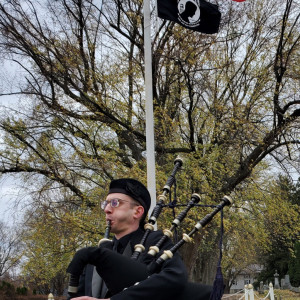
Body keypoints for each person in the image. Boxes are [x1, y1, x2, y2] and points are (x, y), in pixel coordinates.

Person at [68, 178, 188, 300]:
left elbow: (175, 278)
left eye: (115, 203)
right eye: (106, 203)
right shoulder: (93, 257)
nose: (106, 209)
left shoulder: (155, 242)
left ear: (137, 211)